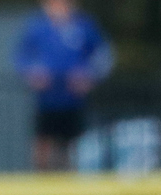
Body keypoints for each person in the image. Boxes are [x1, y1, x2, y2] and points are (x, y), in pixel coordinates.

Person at [13, 0, 112, 172]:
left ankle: (72, 187)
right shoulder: (38, 27)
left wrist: (89, 76)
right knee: (42, 144)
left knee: (74, 146)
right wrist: (33, 74)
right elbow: (22, 56)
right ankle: (41, 187)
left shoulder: (84, 26)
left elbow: (103, 55)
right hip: (47, 99)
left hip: (74, 100)